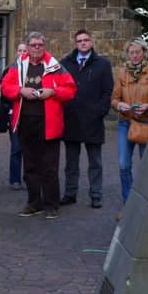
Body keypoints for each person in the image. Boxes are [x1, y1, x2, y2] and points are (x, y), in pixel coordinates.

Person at [0, 32, 76, 219]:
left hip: (49, 123)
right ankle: (34, 202)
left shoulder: (55, 66)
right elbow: (5, 86)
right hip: (26, 122)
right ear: (27, 46)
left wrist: (53, 91)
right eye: (33, 45)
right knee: (30, 165)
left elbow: (70, 90)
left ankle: (51, 204)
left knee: (49, 166)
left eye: (40, 45)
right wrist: (20, 90)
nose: (37, 48)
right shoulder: (18, 66)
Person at [59, 29, 114, 209]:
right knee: (71, 162)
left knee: (95, 162)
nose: (83, 43)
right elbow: (58, 87)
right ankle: (70, 193)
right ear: (76, 43)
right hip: (71, 119)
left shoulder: (103, 64)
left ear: (91, 42)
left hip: (93, 120)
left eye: (86, 40)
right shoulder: (65, 63)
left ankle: (96, 194)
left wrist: (99, 112)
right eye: (79, 40)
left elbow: (107, 92)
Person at [112, 38, 148, 207]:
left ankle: (145, 205)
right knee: (123, 165)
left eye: (138, 52)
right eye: (131, 52)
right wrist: (118, 105)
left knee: (147, 167)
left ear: (144, 52)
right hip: (126, 123)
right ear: (127, 54)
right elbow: (114, 98)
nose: (134, 55)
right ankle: (128, 205)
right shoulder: (122, 73)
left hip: (147, 124)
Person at [4, 42, 28, 189]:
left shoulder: (33, 70)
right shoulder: (9, 69)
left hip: (29, 113)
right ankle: (15, 179)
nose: (22, 53)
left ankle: (29, 177)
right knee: (16, 147)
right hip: (14, 114)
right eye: (19, 50)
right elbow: (4, 94)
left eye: (24, 50)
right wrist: (8, 109)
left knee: (30, 148)